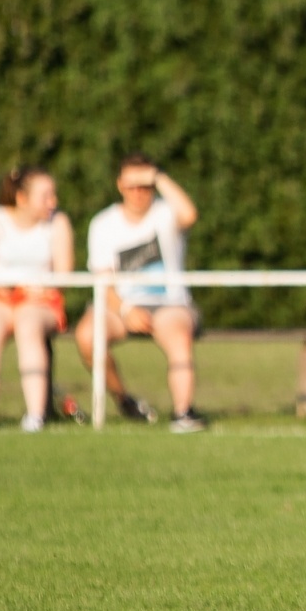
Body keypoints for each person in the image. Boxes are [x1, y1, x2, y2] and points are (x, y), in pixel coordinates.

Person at [76, 153, 208, 433]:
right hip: (121, 306)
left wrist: (158, 176)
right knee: (88, 336)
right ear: (119, 186)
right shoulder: (103, 224)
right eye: (132, 185)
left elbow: (190, 214)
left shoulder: (166, 213)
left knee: (177, 334)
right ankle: (123, 400)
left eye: (145, 186)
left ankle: (183, 411)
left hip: (169, 303)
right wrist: (126, 310)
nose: (138, 193)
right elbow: (104, 284)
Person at [0, 167, 74, 432]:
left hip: (41, 301)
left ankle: (35, 416)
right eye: (46, 195)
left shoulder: (59, 223)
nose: (54, 202)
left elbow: (63, 276)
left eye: (53, 194)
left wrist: (34, 291)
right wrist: (4, 290)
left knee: (28, 325)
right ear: (21, 198)